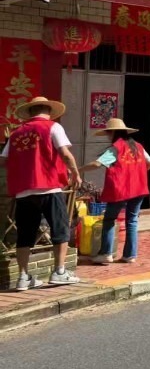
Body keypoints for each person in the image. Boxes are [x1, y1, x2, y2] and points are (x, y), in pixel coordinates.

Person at [0, 96, 82, 290]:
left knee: (24, 235)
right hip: (49, 187)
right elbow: (65, 153)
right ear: (49, 111)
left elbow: (3, 160)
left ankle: (23, 277)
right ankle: (59, 272)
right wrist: (75, 173)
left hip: (24, 192)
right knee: (60, 229)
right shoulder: (53, 127)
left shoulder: (16, 133)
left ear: (30, 112)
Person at [82, 118, 150, 265]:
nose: (108, 136)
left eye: (108, 133)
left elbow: (97, 164)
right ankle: (130, 255)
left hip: (120, 189)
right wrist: (135, 174)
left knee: (109, 220)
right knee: (132, 221)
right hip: (138, 189)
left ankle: (106, 254)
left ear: (113, 132)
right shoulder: (138, 146)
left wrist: (77, 170)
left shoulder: (116, 148)